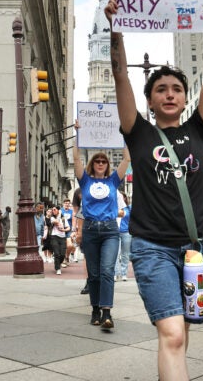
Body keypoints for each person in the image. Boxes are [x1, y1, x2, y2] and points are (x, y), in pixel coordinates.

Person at [105, 0, 203, 380]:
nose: (171, 93)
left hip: (194, 251)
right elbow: (120, 75)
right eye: (161, 89)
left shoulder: (198, 128)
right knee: (173, 333)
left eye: (177, 88)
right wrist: (116, 30)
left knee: (181, 333)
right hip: (152, 248)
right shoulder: (138, 133)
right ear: (150, 101)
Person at [73, 123, 130, 329]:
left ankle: (107, 312)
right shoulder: (85, 181)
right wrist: (77, 133)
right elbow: (76, 159)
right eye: (97, 160)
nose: (100, 163)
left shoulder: (113, 181)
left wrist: (124, 135)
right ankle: (95, 309)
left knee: (107, 270)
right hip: (89, 230)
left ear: (107, 165)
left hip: (109, 231)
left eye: (103, 161)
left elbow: (126, 159)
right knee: (94, 273)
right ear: (93, 164)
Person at [115, 192, 132, 282]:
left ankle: (124, 273)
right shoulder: (113, 206)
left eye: (123, 197)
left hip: (126, 232)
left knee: (125, 254)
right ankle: (116, 273)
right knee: (116, 254)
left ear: (125, 198)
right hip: (115, 232)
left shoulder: (129, 208)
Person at [48, 207, 69, 274]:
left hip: (63, 237)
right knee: (57, 253)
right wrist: (59, 214)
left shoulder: (63, 219)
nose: (53, 211)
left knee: (62, 254)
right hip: (54, 236)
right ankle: (58, 268)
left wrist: (64, 230)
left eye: (54, 209)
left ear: (58, 210)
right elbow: (56, 222)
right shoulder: (52, 218)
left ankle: (57, 263)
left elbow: (68, 228)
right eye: (52, 210)